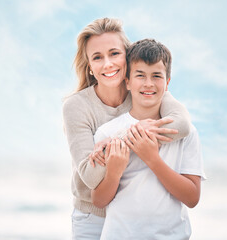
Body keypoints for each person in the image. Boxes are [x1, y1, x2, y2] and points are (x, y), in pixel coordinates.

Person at [62, 18, 191, 239]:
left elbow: (181, 125)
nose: (108, 64)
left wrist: (115, 140)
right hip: (93, 219)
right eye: (97, 57)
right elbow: (91, 176)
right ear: (90, 67)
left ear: (127, 56)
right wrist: (127, 137)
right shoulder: (76, 107)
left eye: (114, 53)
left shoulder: (143, 91)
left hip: (131, 218)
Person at [91, 39, 206, 239]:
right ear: (127, 81)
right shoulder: (107, 132)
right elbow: (98, 200)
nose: (148, 83)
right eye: (140, 75)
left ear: (167, 82)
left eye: (156, 76)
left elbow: (192, 197)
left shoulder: (186, 133)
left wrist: (152, 159)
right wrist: (114, 174)